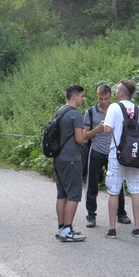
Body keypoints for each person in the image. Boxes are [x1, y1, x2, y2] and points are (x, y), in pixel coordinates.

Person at [101, 79, 139, 238]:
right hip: (135, 153)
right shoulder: (138, 109)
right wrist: (135, 137)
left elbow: (108, 130)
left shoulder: (114, 107)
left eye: (117, 89)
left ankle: (112, 229)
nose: (115, 91)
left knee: (114, 191)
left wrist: (104, 125)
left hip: (117, 154)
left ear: (121, 93)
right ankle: (137, 229)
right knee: (135, 190)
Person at [82, 84, 128, 228]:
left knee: (118, 184)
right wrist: (98, 128)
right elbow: (85, 135)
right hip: (96, 150)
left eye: (106, 99)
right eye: (101, 99)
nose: (103, 102)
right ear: (97, 97)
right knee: (92, 184)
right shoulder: (90, 112)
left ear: (111, 97)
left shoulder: (117, 110)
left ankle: (121, 213)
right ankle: (91, 215)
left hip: (114, 151)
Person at [54, 85, 87, 242]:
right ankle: (68, 230)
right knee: (73, 194)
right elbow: (80, 139)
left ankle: (61, 228)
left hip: (59, 158)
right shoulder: (76, 114)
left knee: (62, 194)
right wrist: (90, 133)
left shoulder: (60, 111)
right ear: (74, 96)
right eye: (81, 96)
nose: (83, 99)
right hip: (71, 159)